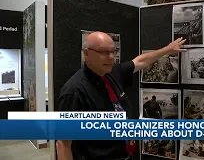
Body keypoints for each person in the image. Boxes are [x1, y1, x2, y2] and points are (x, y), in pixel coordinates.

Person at [55, 31, 186, 160]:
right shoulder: (74, 91)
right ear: (87, 53)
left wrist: (168, 49)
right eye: (105, 52)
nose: (111, 57)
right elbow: (63, 144)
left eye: (113, 51)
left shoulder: (112, 72)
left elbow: (140, 61)